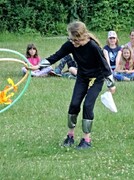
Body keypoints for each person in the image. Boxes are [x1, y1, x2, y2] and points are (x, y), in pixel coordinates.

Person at [27, 21, 116, 150]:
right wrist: (38, 66)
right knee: (74, 104)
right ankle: (70, 136)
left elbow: (105, 66)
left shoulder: (93, 46)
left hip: (97, 78)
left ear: (81, 37)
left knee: (88, 105)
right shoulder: (71, 44)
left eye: (75, 40)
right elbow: (56, 56)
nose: (73, 42)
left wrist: (111, 85)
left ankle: (86, 140)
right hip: (82, 77)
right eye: (71, 39)